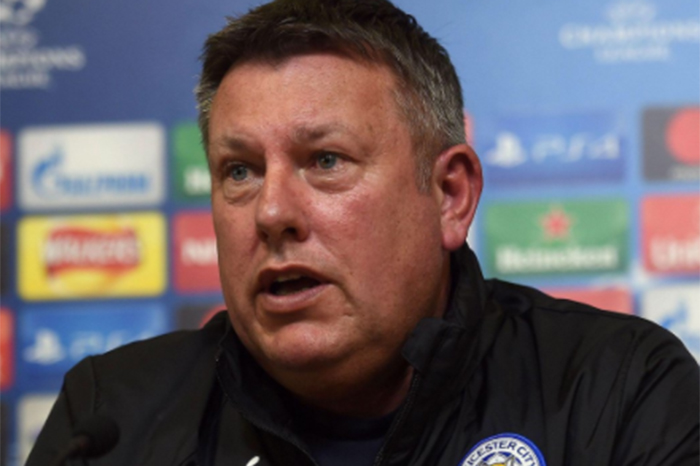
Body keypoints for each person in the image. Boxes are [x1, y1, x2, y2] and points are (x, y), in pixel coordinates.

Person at [28, 0, 698, 465]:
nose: (271, 212)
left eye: (326, 161)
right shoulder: (112, 419)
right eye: (240, 171)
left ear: (450, 195)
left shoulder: (618, 389)